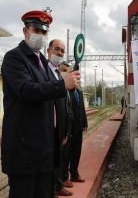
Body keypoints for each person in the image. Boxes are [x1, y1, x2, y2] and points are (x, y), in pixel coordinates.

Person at [1, 10, 80, 198]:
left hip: (44, 149)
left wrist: (60, 133)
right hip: (24, 149)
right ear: (25, 31)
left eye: (44, 33)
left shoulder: (43, 62)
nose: (41, 36)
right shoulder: (14, 58)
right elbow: (26, 90)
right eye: (36, 30)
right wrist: (62, 85)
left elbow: (52, 101)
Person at [47, 40, 73, 196]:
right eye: (56, 49)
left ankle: (56, 186)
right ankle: (53, 187)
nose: (59, 53)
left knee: (57, 161)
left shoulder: (57, 74)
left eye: (62, 51)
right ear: (49, 50)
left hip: (59, 130)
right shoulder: (45, 72)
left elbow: (64, 110)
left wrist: (63, 132)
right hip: (46, 130)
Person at [66, 87, 88, 183]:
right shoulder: (66, 91)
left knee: (77, 152)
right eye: (75, 78)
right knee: (67, 154)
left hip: (79, 128)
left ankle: (74, 174)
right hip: (70, 129)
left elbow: (82, 108)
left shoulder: (79, 92)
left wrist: (85, 123)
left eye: (78, 79)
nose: (76, 81)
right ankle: (64, 177)